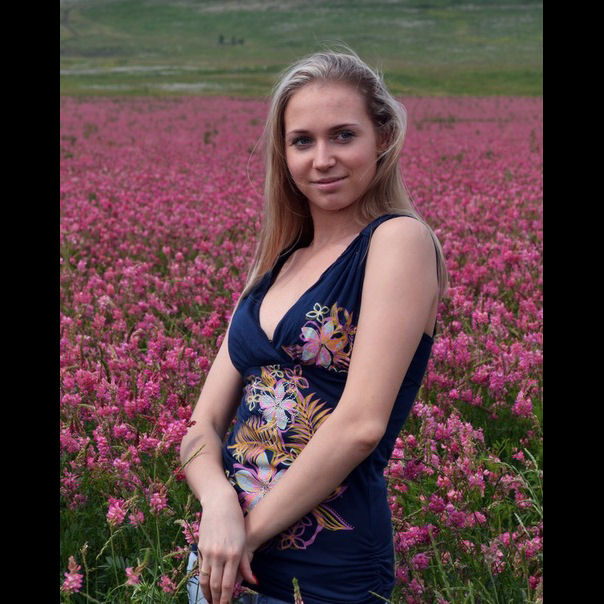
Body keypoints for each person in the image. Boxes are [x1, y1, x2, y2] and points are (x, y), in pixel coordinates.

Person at [180, 49, 448, 604]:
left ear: (383, 137)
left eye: (343, 135)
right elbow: (201, 426)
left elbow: (360, 426)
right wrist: (218, 505)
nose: (322, 159)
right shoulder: (275, 265)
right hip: (217, 563)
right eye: (302, 141)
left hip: (325, 573)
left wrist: (245, 536)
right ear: (284, 155)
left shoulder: (397, 241)